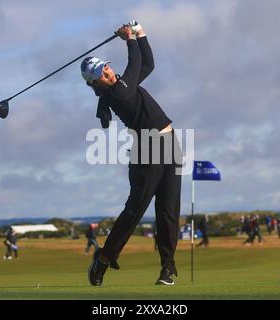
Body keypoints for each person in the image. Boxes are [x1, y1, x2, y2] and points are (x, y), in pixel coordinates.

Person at [83, 22, 182, 286]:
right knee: (135, 210)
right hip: (147, 149)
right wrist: (129, 39)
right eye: (101, 74)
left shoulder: (122, 84)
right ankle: (104, 258)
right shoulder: (117, 93)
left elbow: (147, 64)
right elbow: (136, 61)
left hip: (171, 143)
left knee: (169, 210)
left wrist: (141, 33)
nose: (107, 71)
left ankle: (167, 269)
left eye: (105, 66)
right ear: (97, 84)